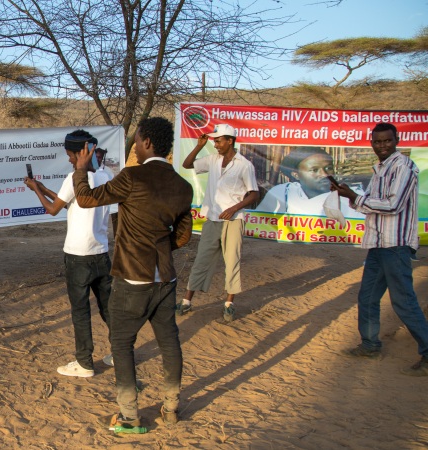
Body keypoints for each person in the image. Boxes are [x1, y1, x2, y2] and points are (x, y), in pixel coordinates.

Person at [72, 117, 193, 428]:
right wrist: (159, 251)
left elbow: (85, 199)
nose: (134, 147)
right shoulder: (183, 186)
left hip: (132, 278)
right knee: (169, 341)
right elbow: (182, 237)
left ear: (148, 142)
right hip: (165, 279)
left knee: (122, 343)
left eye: (137, 140)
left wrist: (82, 169)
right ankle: (170, 409)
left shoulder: (132, 177)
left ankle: (129, 416)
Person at [334, 122, 428, 376]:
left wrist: (355, 198)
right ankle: (370, 344)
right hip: (378, 244)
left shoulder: (404, 167)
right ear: (372, 143)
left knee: (403, 302)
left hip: (395, 245)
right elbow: (374, 205)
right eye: (377, 141)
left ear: (396, 140)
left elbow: (393, 205)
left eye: (387, 141)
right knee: (367, 297)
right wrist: (351, 196)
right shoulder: (380, 169)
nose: (382, 145)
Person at [24, 130, 112, 378]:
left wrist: (36, 190)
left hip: (77, 255)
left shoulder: (74, 177)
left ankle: (84, 363)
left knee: (80, 310)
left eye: (71, 155)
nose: (69, 160)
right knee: (108, 307)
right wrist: (41, 188)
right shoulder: (106, 175)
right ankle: (120, 351)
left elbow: (53, 209)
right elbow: (69, 201)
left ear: (80, 153)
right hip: (101, 252)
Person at [179, 124, 259, 322]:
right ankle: (186, 301)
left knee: (232, 262)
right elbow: (187, 164)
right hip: (213, 219)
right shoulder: (213, 160)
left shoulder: (244, 164)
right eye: (214, 141)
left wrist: (234, 208)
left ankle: (229, 304)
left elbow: (254, 193)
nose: (215, 144)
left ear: (230, 140)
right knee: (201, 260)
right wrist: (199, 146)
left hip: (233, 221)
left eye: (218, 140)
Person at [255, 146, 363, 218]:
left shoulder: (350, 195)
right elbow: (261, 221)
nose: (324, 174)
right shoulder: (284, 192)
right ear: (296, 175)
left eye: (328, 168)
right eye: (314, 170)